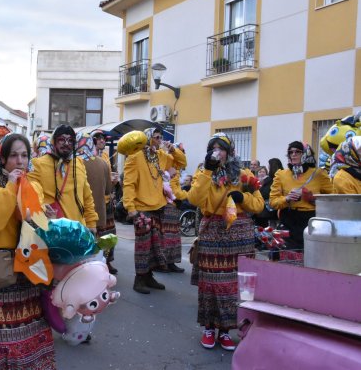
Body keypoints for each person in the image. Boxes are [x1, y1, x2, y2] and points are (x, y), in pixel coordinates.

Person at [0, 133, 56, 369]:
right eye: (13, 156)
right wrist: (9, 187)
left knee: (30, 342)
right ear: (3, 158)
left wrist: (44, 215)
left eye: (24, 155)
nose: (20, 161)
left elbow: (38, 227)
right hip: (0, 275)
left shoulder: (35, 186)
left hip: (29, 273)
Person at [187, 132, 263, 351]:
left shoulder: (244, 174)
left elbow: (258, 205)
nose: (218, 152)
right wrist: (208, 171)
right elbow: (194, 199)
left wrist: (243, 198)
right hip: (213, 232)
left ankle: (225, 331)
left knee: (232, 286)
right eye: (214, 148)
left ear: (230, 152)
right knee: (211, 283)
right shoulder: (204, 172)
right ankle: (209, 328)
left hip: (239, 236)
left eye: (222, 148)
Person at [123, 128, 187, 294]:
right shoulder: (135, 157)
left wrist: (173, 149)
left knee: (155, 246)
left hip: (159, 207)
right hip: (142, 209)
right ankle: (139, 279)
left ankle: (149, 276)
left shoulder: (160, 156)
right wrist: (130, 208)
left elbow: (181, 163)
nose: (159, 140)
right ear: (148, 138)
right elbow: (128, 184)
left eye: (161, 137)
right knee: (143, 247)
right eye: (156, 137)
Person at [27, 124, 98, 233]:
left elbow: (87, 196)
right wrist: (42, 207)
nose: (66, 144)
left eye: (70, 141)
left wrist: (91, 222)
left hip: (77, 231)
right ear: (53, 141)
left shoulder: (79, 164)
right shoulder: (37, 164)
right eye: (61, 140)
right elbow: (31, 192)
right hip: (51, 231)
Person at [269, 141, 333, 250]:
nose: (293, 154)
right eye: (290, 152)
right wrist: (287, 198)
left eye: (297, 152)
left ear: (306, 154)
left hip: (310, 219)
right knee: (287, 254)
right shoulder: (281, 174)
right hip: (288, 218)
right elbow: (273, 202)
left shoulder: (318, 174)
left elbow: (332, 200)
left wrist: (312, 198)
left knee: (309, 253)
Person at [77, 132, 113, 271]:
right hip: (99, 214)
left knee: (80, 254)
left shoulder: (74, 163)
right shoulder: (103, 163)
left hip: (80, 215)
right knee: (97, 250)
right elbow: (108, 190)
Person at [91, 129, 119, 274]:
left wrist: (113, 180)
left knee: (110, 234)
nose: (103, 141)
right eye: (99, 138)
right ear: (93, 140)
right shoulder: (88, 156)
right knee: (98, 235)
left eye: (104, 139)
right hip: (95, 203)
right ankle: (98, 263)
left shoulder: (106, 155)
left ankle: (107, 262)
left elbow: (106, 181)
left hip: (107, 201)